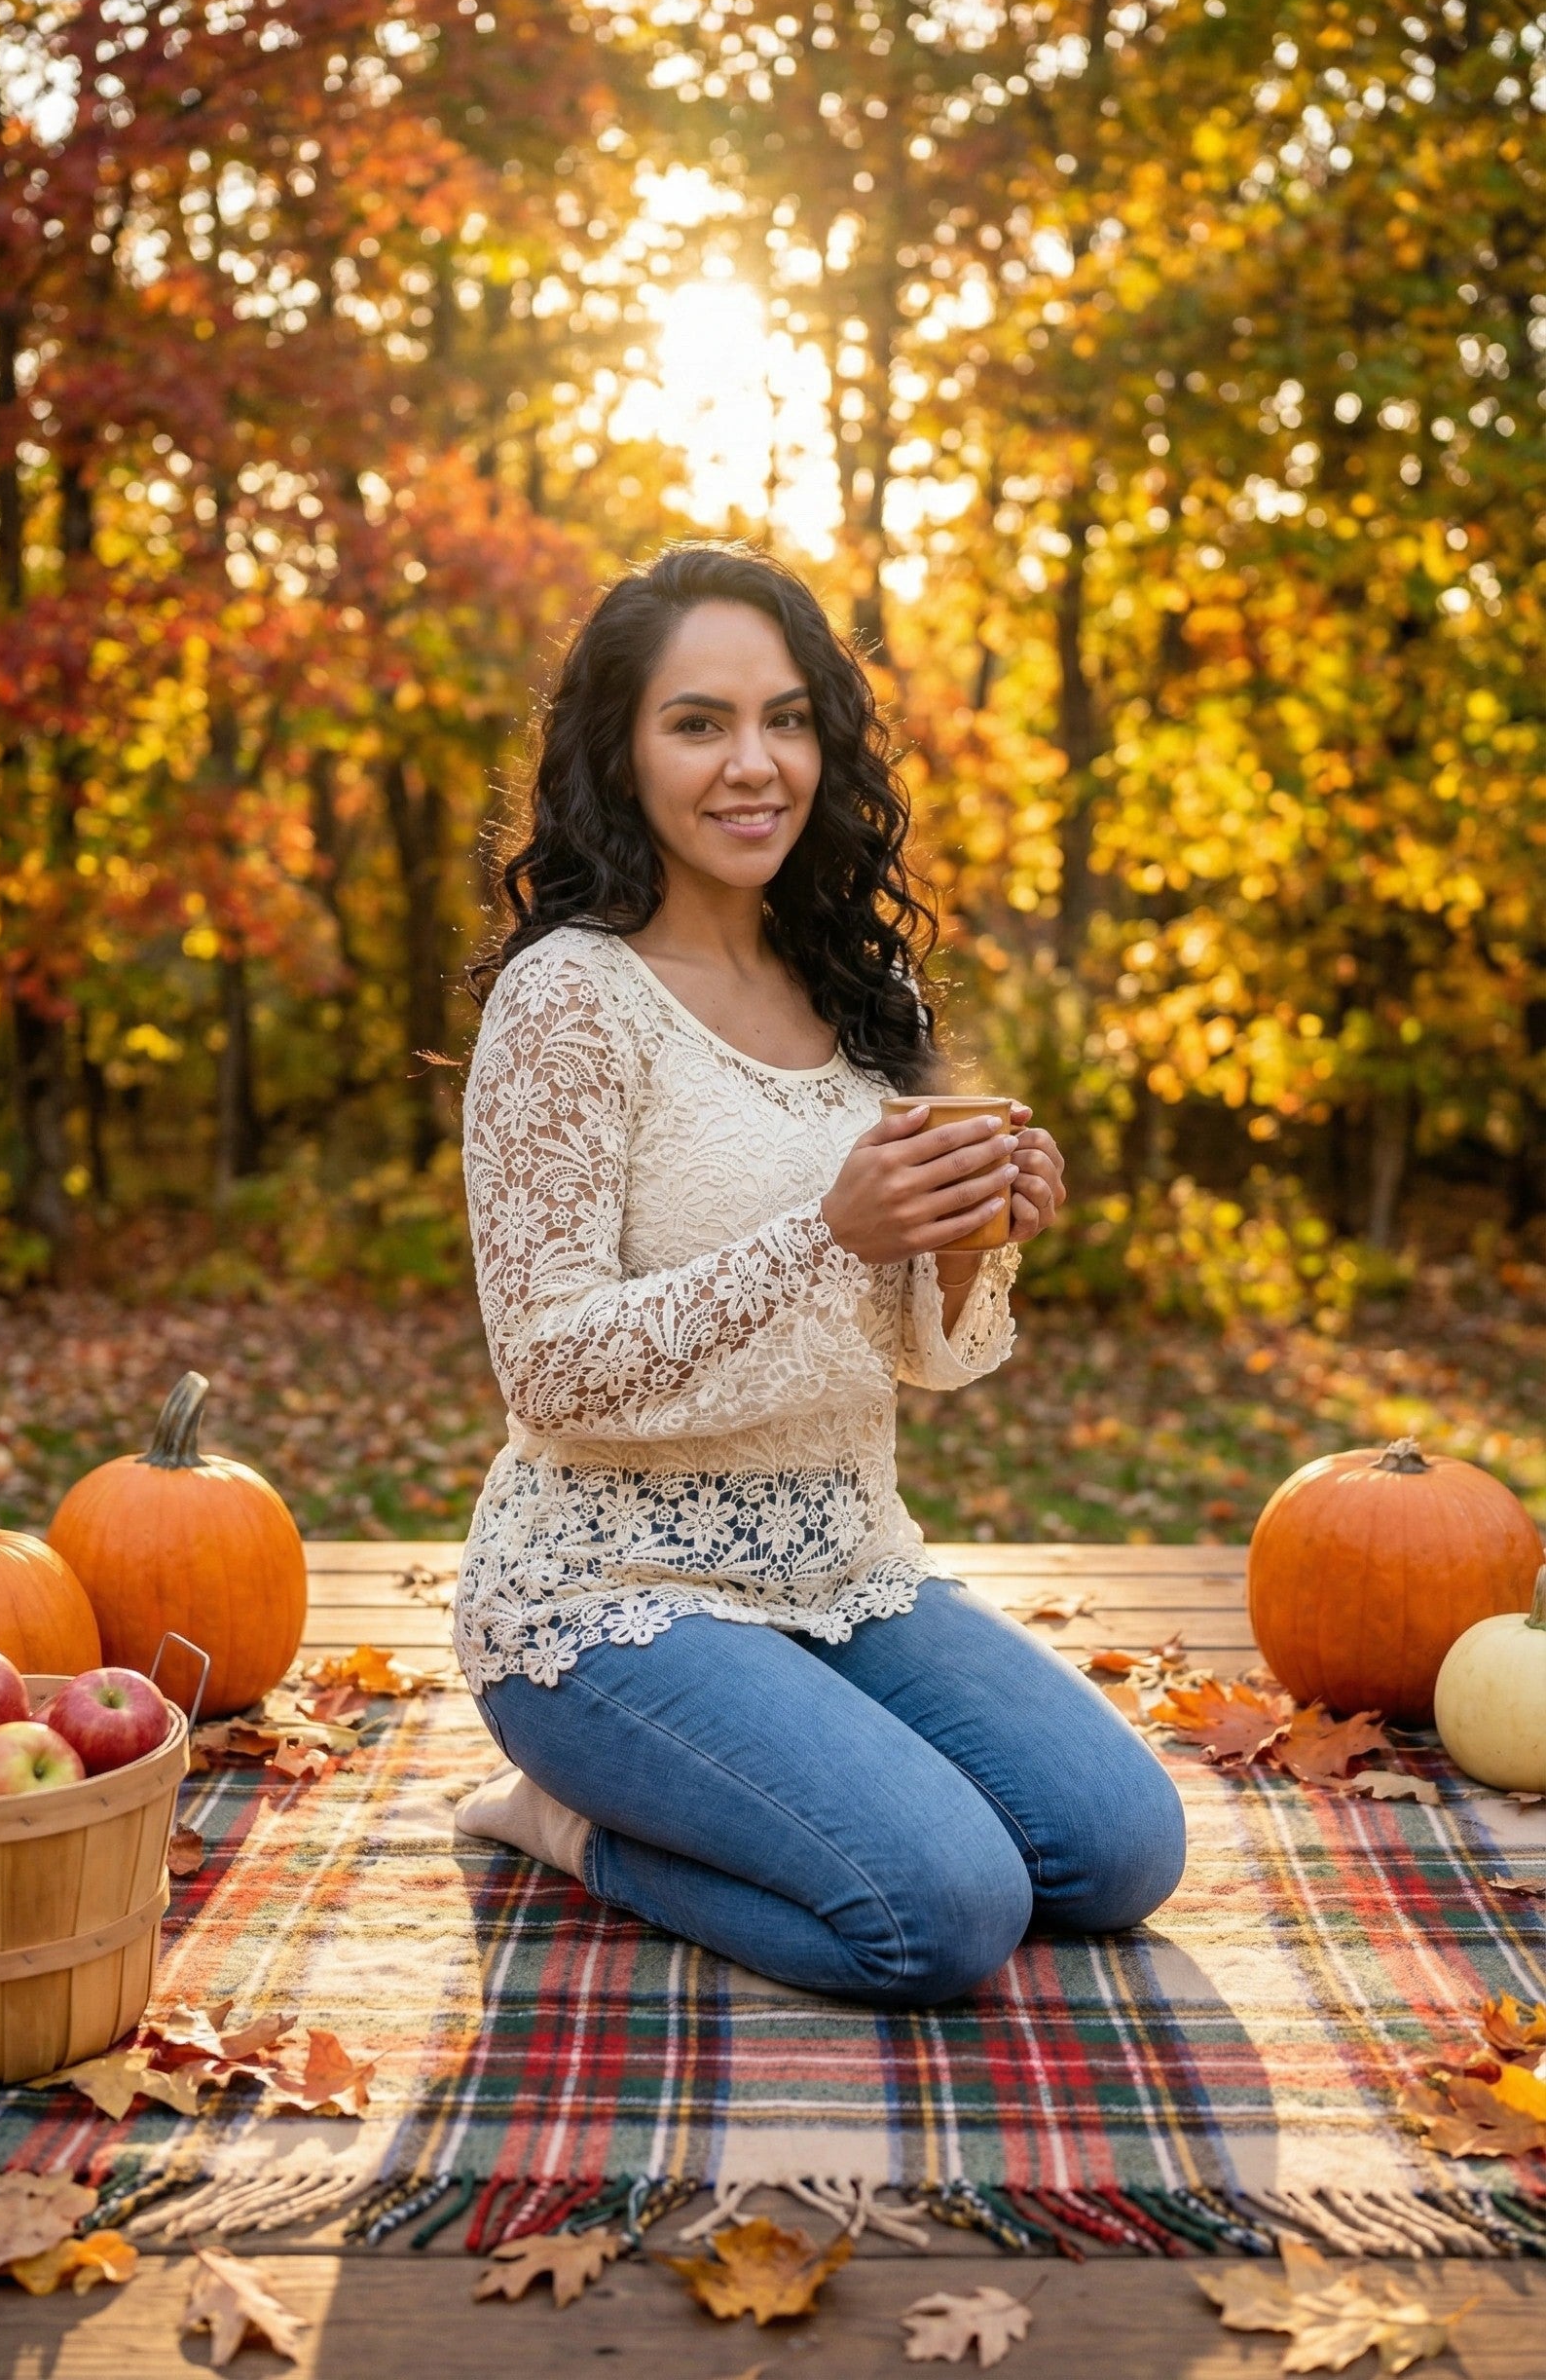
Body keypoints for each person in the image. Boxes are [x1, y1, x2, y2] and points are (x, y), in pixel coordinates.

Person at [453, 543, 1185, 2005]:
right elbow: (548, 1367)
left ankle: (805, 1767)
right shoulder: (571, 1000)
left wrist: (975, 1244)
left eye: (787, 718)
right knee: (944, 1913)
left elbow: (918, 1352)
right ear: (622, 747)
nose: (755, 765)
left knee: (1120, 1851)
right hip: (605, 1596)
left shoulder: (859, 988)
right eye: (699, 722)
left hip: (846, 1569)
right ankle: (563, 1823)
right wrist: (824, 1233)